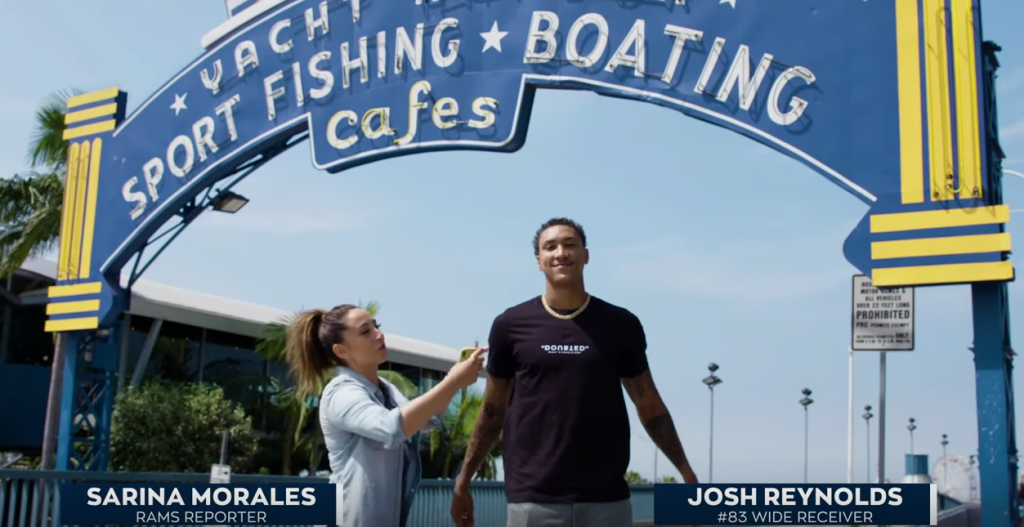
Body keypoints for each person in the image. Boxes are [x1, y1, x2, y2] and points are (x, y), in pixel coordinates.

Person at [451, 218, 699, 527]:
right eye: (550, 247)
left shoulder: (622, 325)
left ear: (586, 255)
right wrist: (464, 480)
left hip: (607, 500)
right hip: (533, 499)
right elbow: (492, 410)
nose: (561, 253)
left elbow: (649, 406)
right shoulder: (509, 326)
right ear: (539, 262)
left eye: (570, 244)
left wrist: (687, 472)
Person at [285, 304, 485, 527]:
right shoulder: (340, 392)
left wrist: (454, 377)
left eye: (376, 326)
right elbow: (392, 428)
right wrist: (453, 381)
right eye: (365, 331)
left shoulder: (386, 388)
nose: (379, 334)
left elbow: (425, 419)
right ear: (341, 351)